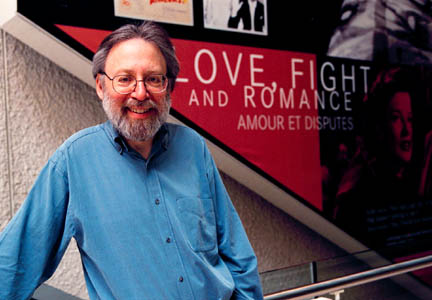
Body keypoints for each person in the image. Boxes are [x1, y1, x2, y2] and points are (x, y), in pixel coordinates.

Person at [0, 21, 263, 300]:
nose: (140, 94)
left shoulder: (193, 147)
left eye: (153, 79)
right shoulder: (73, 162)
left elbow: (237, 256)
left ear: (168, 87)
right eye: (125, 79)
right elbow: (11, 267)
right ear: (101, 86)